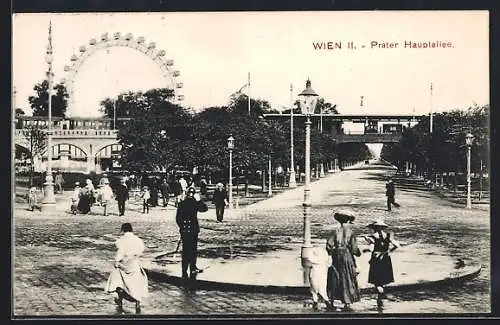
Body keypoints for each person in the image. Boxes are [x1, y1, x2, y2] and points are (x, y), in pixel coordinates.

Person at [105, 223, 148, 314]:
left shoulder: (121, 240)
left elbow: (120, 252)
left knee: (118, 280)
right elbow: (141, 250)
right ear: (131, 230)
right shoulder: (138, 240)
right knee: (137, 282)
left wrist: (116, 261)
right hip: (134, 264)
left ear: (123, 230)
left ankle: (120, 299)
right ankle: (137, 302)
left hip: (124, 264)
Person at [326, 210, 361, 311]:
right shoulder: (351, 232)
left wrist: (331, 254)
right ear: (348, 221)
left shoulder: (334, 231)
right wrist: (358, 253)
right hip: (347, 255)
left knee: (335, 276)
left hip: (336, 255)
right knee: (348, 276)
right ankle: (347, 301)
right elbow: (354, 249)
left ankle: (332, 298)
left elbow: (329, 245)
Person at [363, 219, 400, 306]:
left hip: (376, 259)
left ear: (374, 228)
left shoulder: (373, 236)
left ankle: (380, 297)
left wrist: (365, 249)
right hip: (386, 259)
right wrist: (388, 252)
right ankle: (381, 298)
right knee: (382, 280)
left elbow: (372, 248)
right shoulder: (388, 235)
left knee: (376, 282)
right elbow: (396, 245)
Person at [175, 187, 208, 279]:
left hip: (185, 230)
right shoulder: (195, 203)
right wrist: (199, 200)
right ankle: (192, 267)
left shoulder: (182, 203)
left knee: (185, 250)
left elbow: (178, 218)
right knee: (193, 250)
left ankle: (184, 269)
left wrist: (182, 227)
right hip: (193, 230)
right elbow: (204, 209)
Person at [308, 246, 333, 311]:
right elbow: (329, 264)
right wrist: (329, 256)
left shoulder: (313, 261)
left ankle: (315, 302)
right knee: (323, 289)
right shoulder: (324, 261)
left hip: (314, 276)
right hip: (322, 276)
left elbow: (309, 260)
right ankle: (327, 301)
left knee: (313, 290)